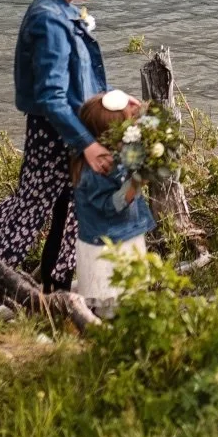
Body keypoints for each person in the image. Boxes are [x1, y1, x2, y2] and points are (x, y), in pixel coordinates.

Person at [0, 0, 117, 290]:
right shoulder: (49, 20)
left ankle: (54, 289)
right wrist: (87, 144)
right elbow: (52, 96)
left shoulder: (62, 11)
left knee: (68, 212)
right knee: (31, 209)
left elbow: (78, 81)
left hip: (70, 128)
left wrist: (110, 103)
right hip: (56, 131)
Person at [69, 89, 157, 304]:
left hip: (124, 235)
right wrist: (136, 184)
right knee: (109, 301)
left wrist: (137, 108)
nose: (133, 132)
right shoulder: (95, 171)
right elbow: (111, 205)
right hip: (107, 245)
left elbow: (152, 123)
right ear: (109, 135)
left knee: (132, 294)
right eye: (127, 129)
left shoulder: (111, 154)